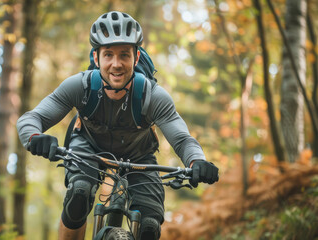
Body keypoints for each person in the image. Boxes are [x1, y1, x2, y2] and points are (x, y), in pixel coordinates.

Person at [17, 11, 219, 240]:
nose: (116, 64)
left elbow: (182, 139)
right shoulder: (79, 87)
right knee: (79, 193)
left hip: (139, 157)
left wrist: (197, 161)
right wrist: (34, 137)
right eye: (108, 55)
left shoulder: (152, 96)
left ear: (135, 58)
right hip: (88, 148)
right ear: (96, 57)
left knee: (150, 226)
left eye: (124, 55)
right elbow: (32, 118)